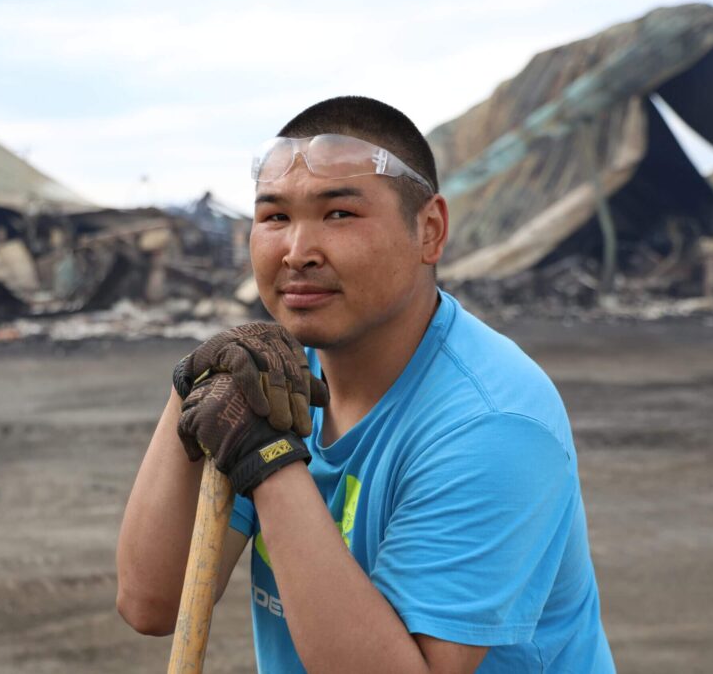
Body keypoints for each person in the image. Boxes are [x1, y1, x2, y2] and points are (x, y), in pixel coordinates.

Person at [116, 96, 615, 673]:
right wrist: (191, 387)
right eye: (275, 217)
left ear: (429, 231)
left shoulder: (493, 420)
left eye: (339, 215)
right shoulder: (276, 373)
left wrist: (269, 461)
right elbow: (152, 603)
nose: (297, 253)